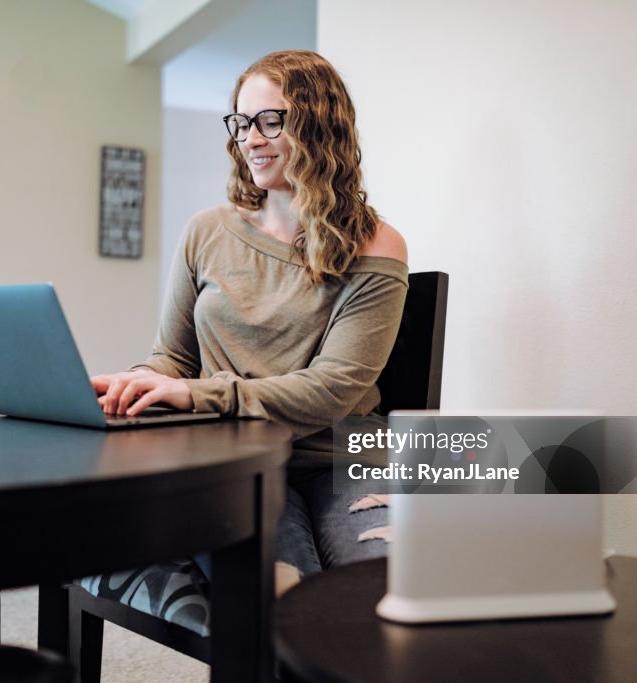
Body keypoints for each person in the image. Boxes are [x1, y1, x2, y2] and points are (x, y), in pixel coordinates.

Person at [92, 50, 408, 595]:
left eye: (270, 120)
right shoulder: (207, 231)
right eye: (241, 122)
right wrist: (141, 381)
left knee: (371, 597)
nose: (251, 139)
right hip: (233, 460)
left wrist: (198, 396)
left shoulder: (377, 245)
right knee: (279, 596)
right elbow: (174, 356)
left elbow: (334, 390)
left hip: (343, 460)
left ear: (319, 125)